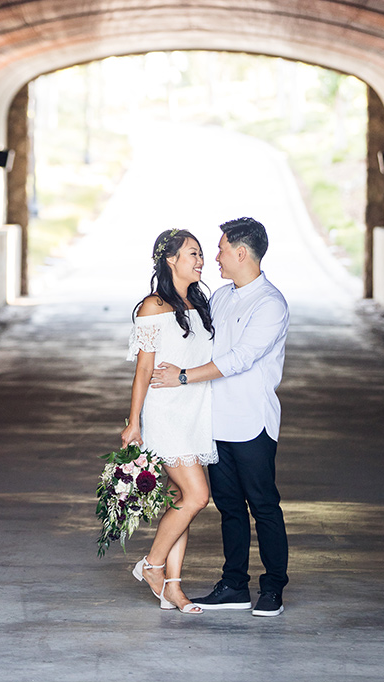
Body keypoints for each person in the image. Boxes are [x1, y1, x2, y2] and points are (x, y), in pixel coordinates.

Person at [151, 217, 290, 617]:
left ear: (241, 253)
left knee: (263, 505)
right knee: (229, 506)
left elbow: (240, 359)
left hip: (252, 421)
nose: (215, 257)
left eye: (221, 249)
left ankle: (273, 588)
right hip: (215, 421)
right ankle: (234, 584)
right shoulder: (224, 297)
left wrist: (182, 377)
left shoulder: (270, 304)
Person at [121, 228, 217, 615]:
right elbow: (143, 370)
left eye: (201, 254)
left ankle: (172, 587)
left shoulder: (199, 302)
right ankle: (152, 565)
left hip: (196, 411)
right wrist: (133, 424)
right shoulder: (152, 307)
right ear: (170, 259)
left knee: (182, 501)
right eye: (192, 253)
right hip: (166, 413)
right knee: (197, 496)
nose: (200, 260)